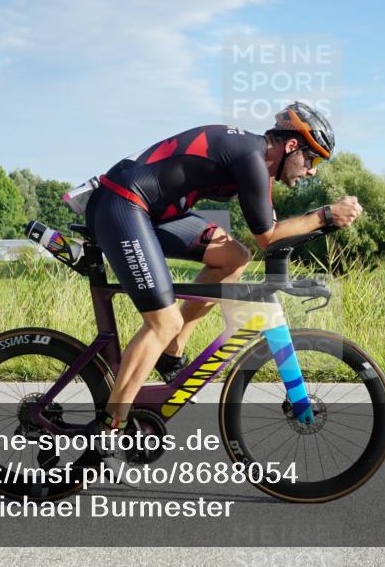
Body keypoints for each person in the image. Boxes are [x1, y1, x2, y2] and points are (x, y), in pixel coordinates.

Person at [83, 101, 363, 434]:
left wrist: (322, 223)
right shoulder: (250, 158)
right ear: (291, 145)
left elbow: (273, 237)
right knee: (164, 322)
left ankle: (171, 353)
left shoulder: (256, 163)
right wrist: (326, 215)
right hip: (122, 204)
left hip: (153, 211)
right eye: (312, 159)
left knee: (233, 257)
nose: (312, 171)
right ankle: (110, 428)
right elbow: (268, 237)